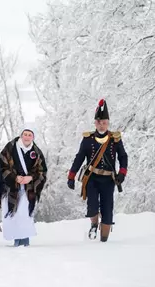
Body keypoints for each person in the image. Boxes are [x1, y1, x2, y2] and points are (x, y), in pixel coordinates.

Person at [67, 99, 128, 242]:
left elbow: (123, 156)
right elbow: (79, 157)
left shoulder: (115, 139)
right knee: (92, 206)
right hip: (92, 178)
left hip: (108, 179)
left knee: (107, 209)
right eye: (99, 122)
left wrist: (122, 173)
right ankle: (94, 224)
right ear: (95, 123)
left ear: (108, 123)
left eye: (105, 122)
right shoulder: (88, 139)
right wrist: (71, 176)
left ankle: (104, 241)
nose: (102, 125)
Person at [0, 128, 47, 247]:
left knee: (24, 214)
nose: (27, 137)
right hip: (12, 188)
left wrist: (30, 178)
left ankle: (25, 241)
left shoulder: (37, 152)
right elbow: (1, 165)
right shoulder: (10, 147)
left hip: (28, 188)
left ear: (33, 137)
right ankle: (17, 241)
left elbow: (42, 171)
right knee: (14, 214)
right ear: (21, 135)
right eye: (25, 134)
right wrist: (14, 177)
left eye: (30, 135)